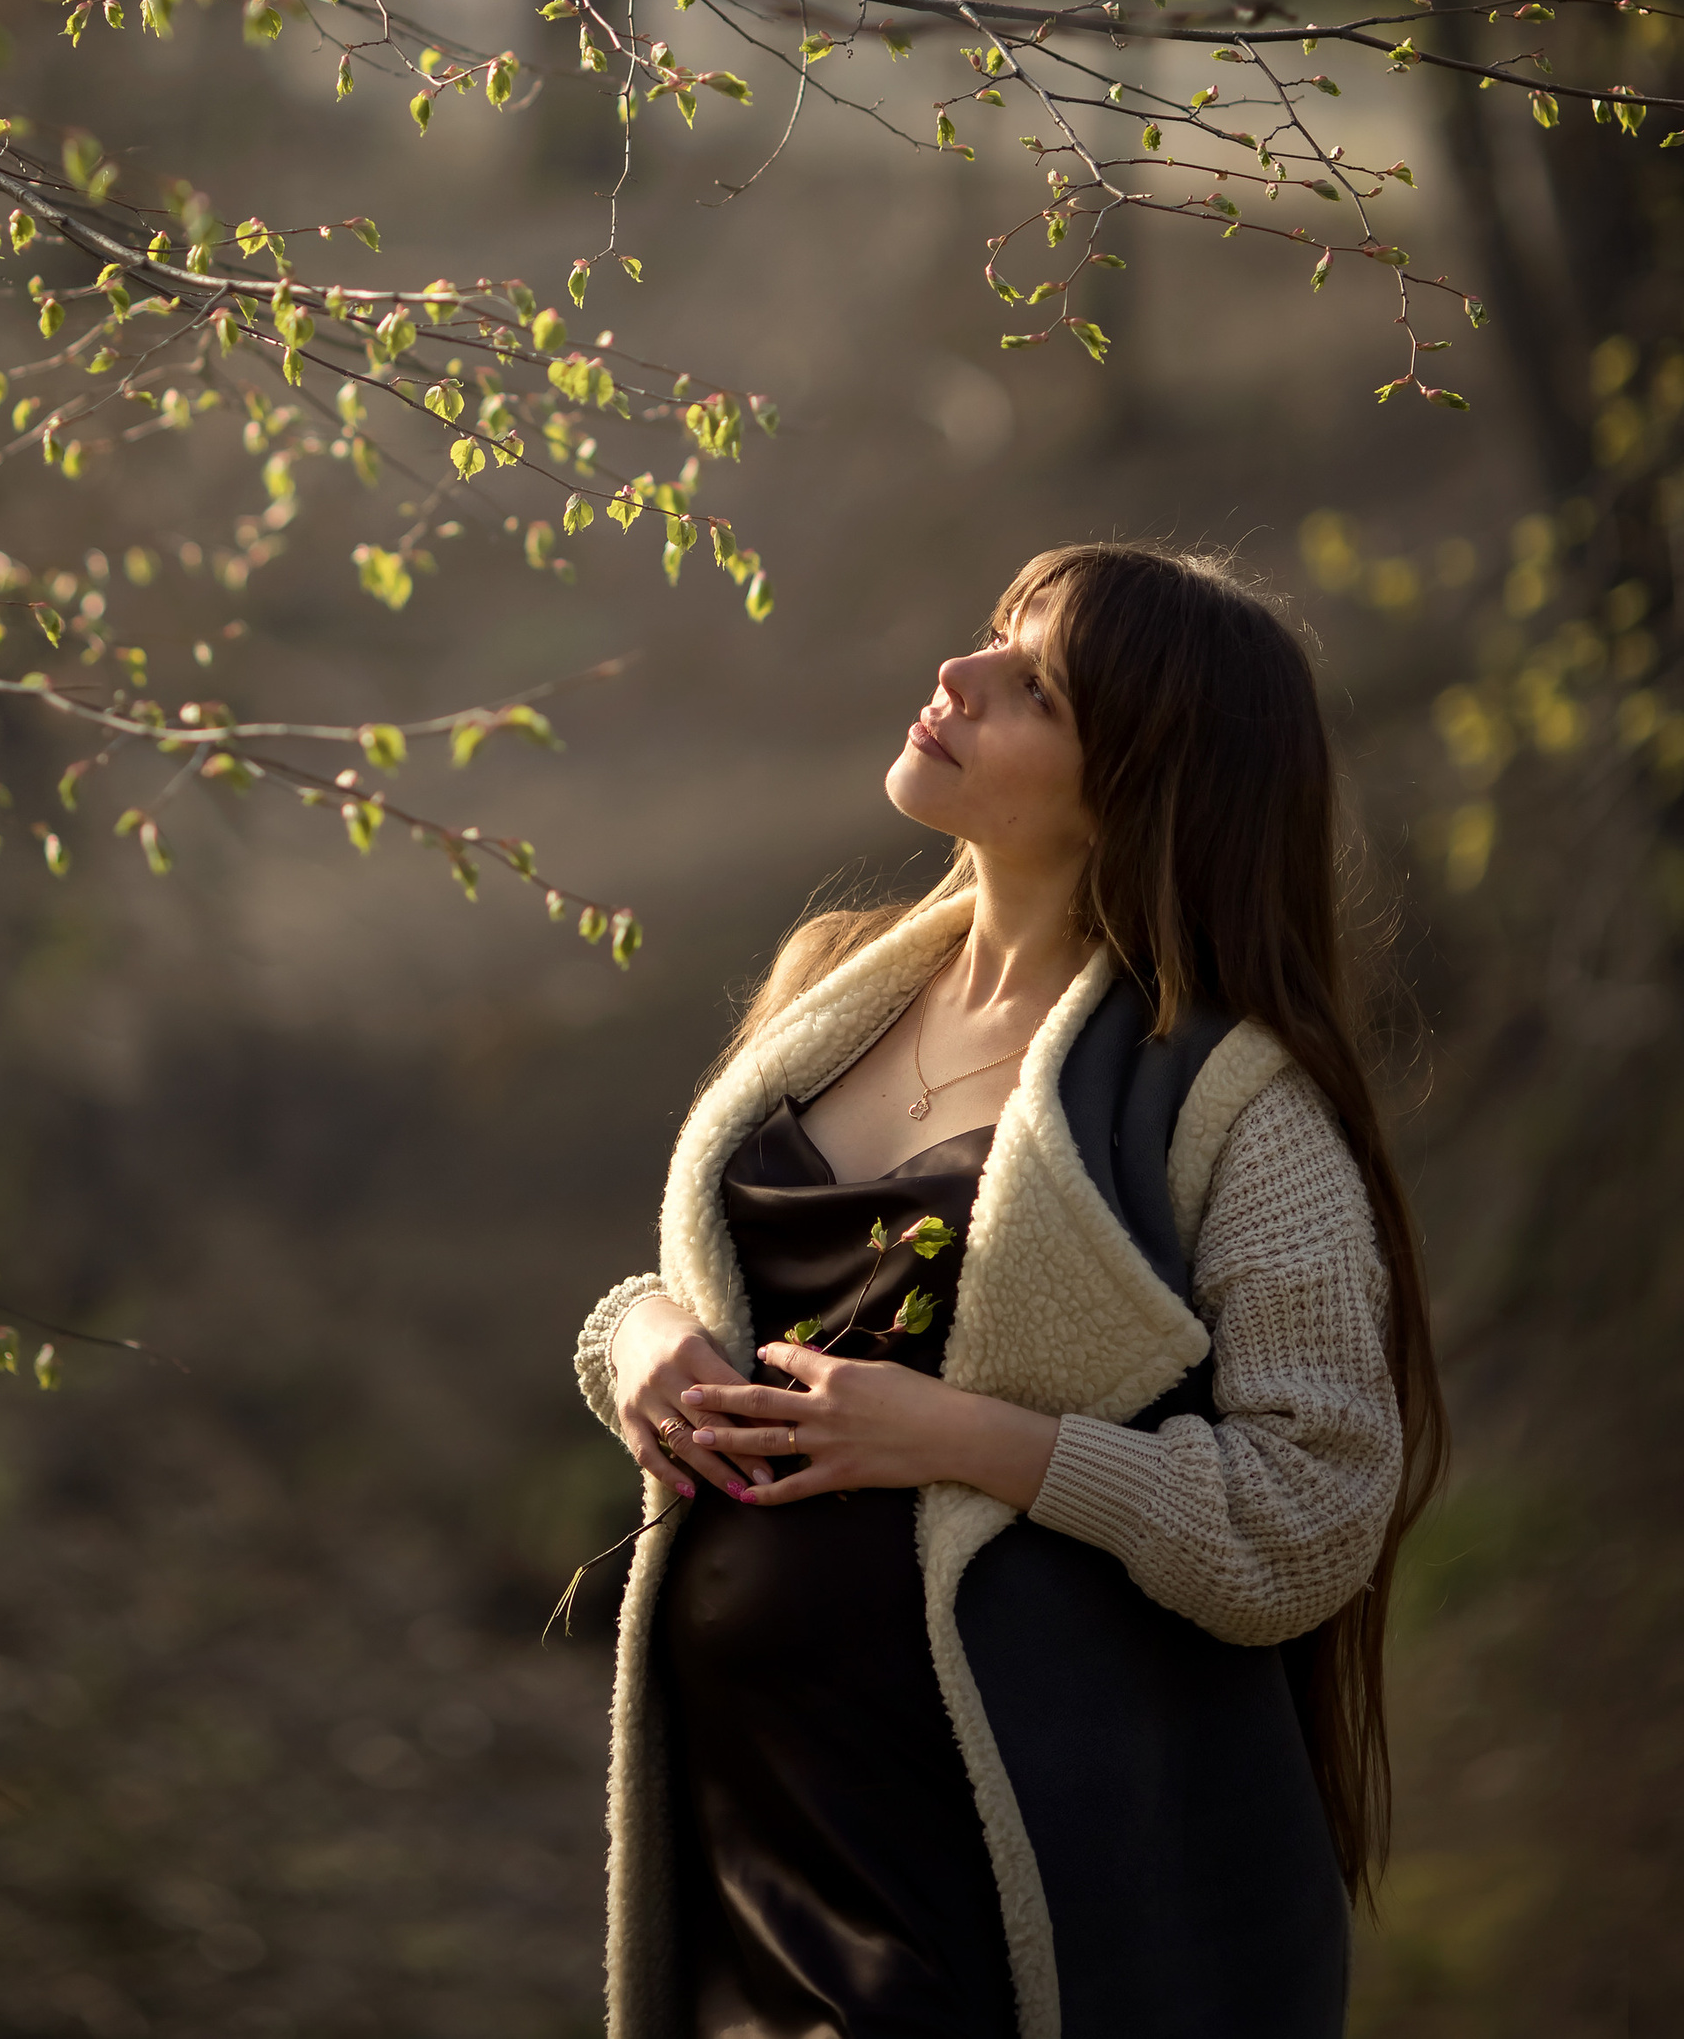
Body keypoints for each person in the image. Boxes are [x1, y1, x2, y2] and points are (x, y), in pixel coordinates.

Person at [571, 542, 1445, 2039]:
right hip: (747, 1829)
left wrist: (973, 1441)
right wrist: (633, 1336)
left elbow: (1310, 1516)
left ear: (1149, 779)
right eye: (987, 638)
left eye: (1030, 684)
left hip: (1006, 1868)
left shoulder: (1235, 1108)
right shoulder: (830, 988)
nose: (955, 677)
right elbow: (706, 1293)